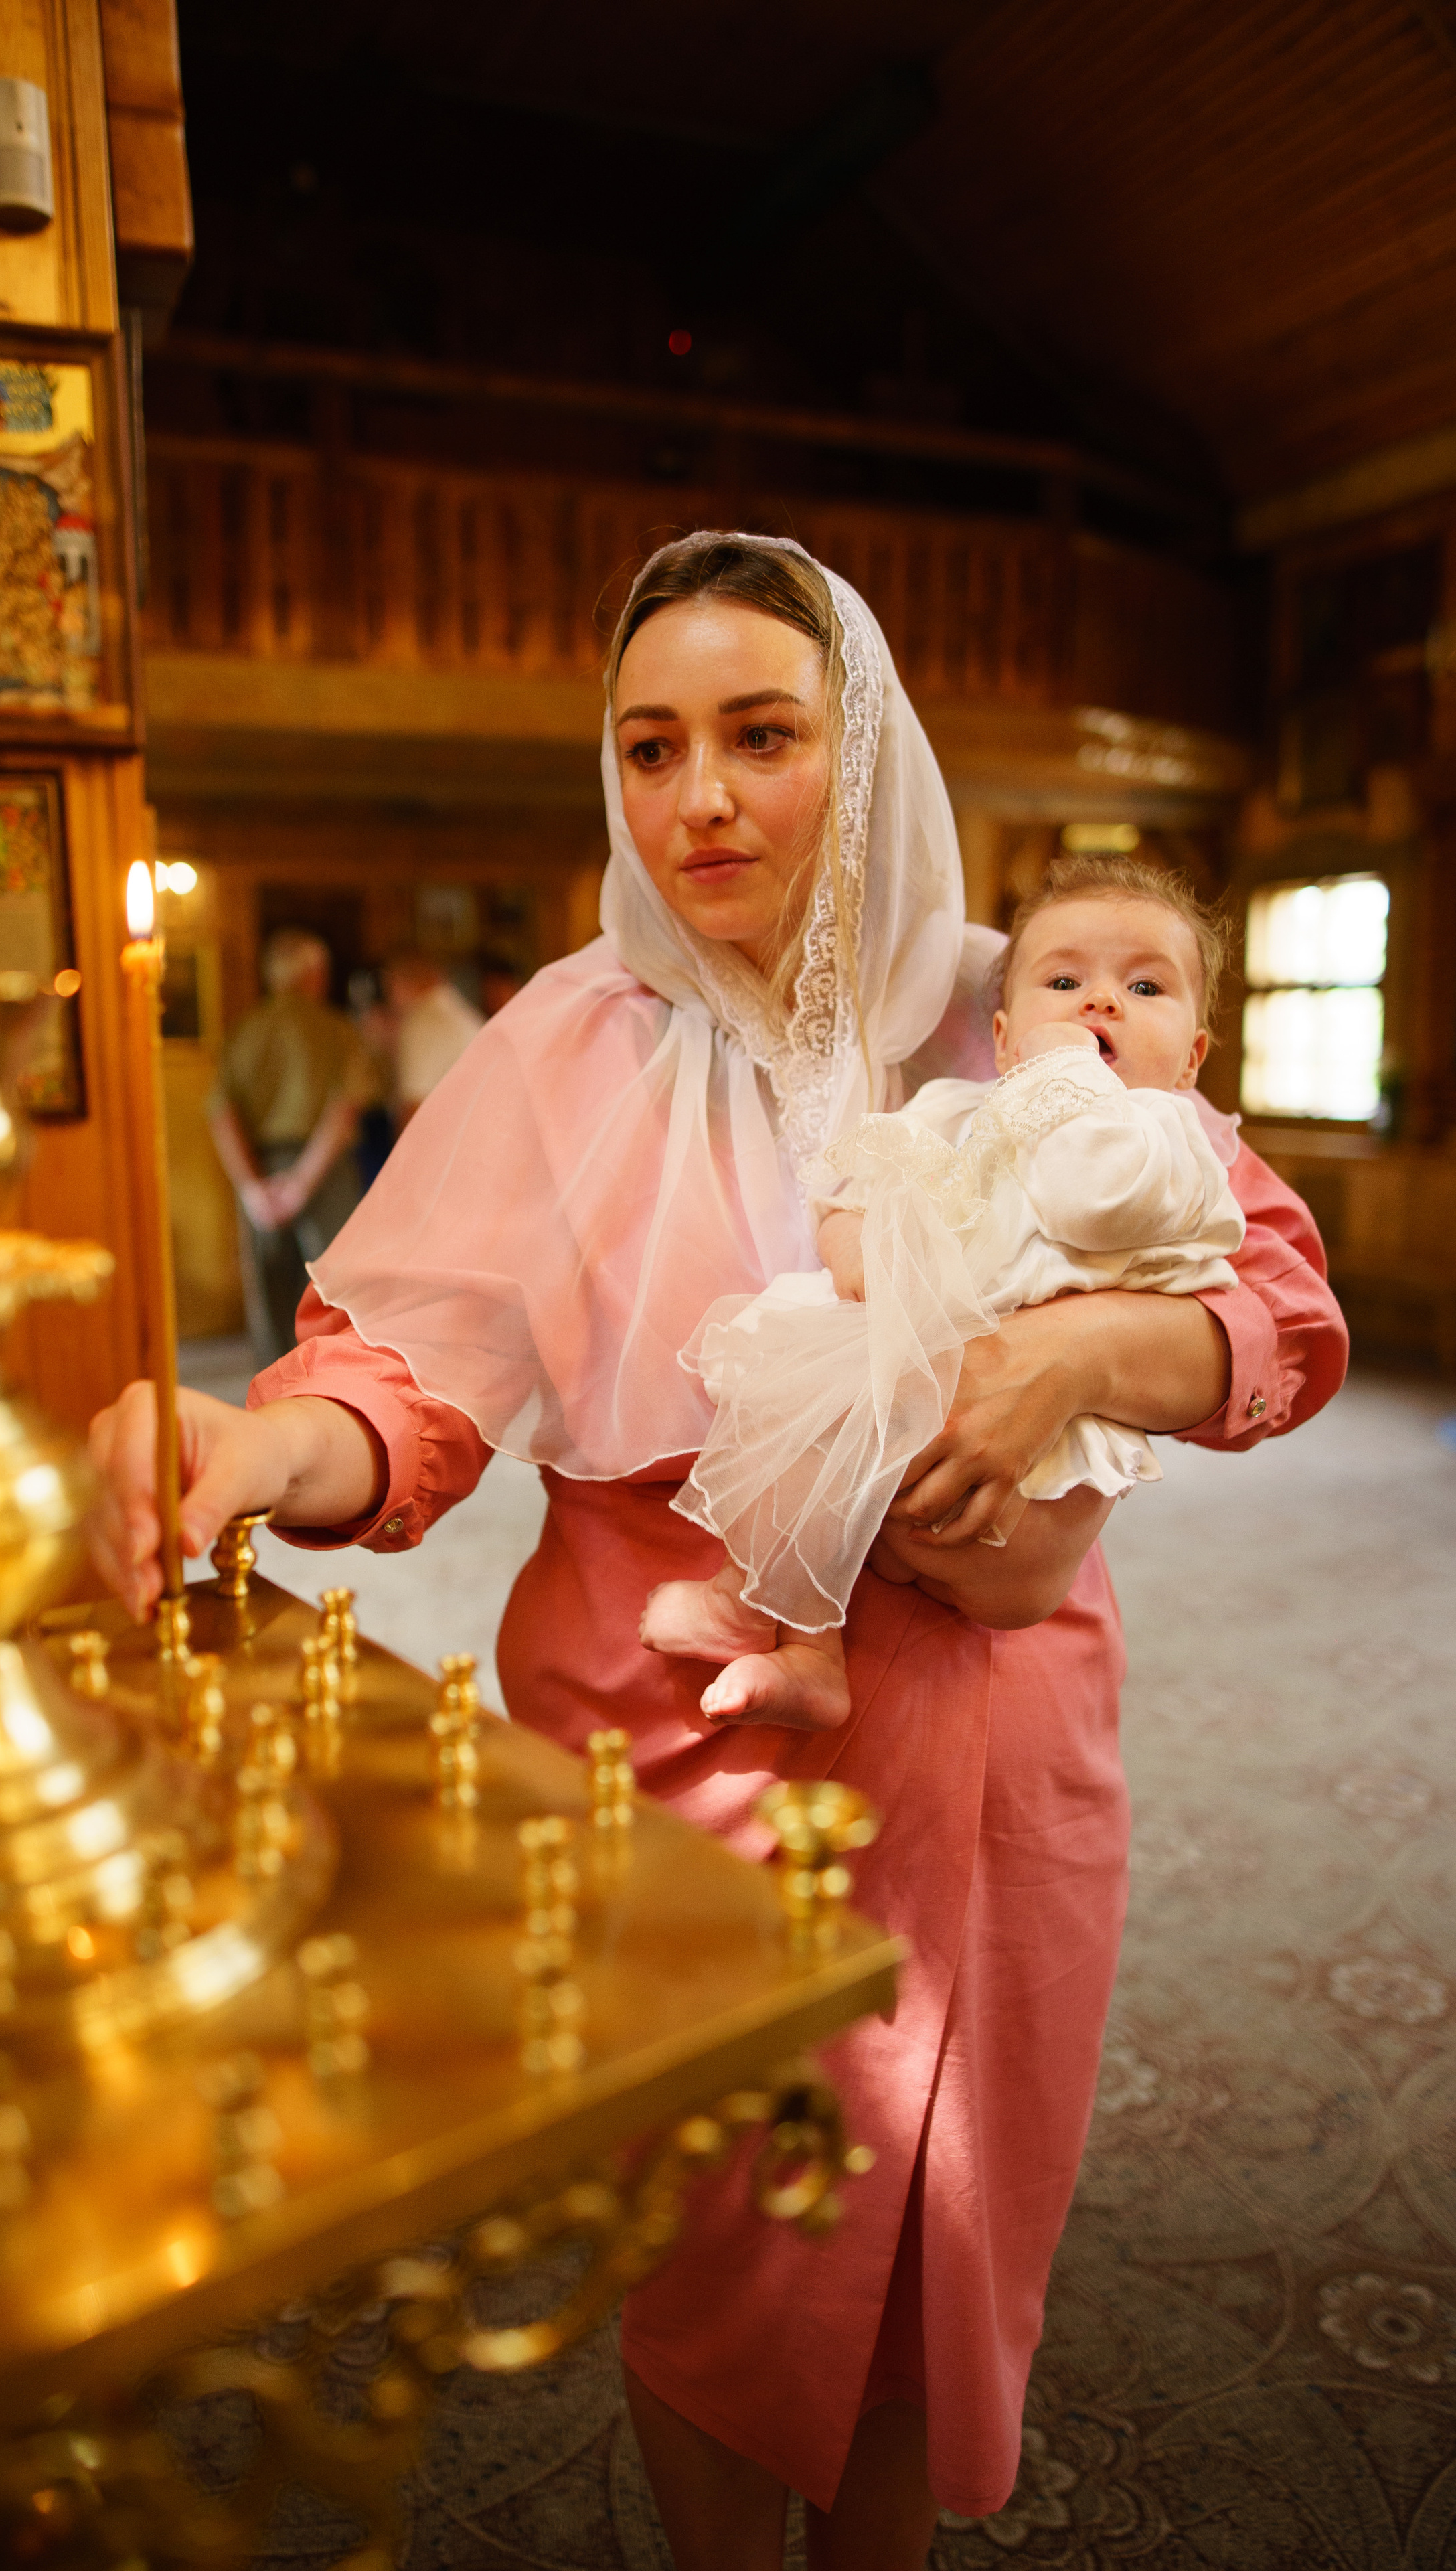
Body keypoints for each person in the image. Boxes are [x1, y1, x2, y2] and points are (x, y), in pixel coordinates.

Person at [90, 534, 1347, 2571]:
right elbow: (406, 1385)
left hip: (1006, 1761)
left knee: (940, 2240)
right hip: (689, 1761)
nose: (701, 798)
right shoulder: (560, 1048)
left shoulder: (1014, 1009)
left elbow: (1278, 1306)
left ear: (857, 753)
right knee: (720, 2259)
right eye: (651, 743)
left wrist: (1095, 1351)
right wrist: (259, 1441)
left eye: (761, 736)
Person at [643, 858, 1248, 1729]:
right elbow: (862, 1170)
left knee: (988, 1547)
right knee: (795, 1395)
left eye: (1144, 985)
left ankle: (834, 1603)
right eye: (1066, 980)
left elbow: (1093, 1197)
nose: (1101, 1002)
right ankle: (796, 1639)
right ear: (1003, 1039)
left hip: (1044, 1442)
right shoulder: (960, 1108)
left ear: (1190, 1058)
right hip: (923, 1352)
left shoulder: (1164, 1138)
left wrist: (1065, 1077)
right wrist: (852, 1241)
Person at [206, 929, 378, 1367]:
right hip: (325, 1168)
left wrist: (250, 1187)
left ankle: (275, 1389)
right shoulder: (338, 1030)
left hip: (261, 1167)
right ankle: (337, 1386)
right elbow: (344, 1112)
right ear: (315, 974)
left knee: (270, 1295)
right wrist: (301, 1183)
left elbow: (223, 1115)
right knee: (335, 1287)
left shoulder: (243, 1030)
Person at [382, 947, 483, 1127]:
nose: (390, 999)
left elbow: (413, 1112)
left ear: (400, 981)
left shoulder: (421, 1022)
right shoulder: (460, 1011)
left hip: (448, 1142)